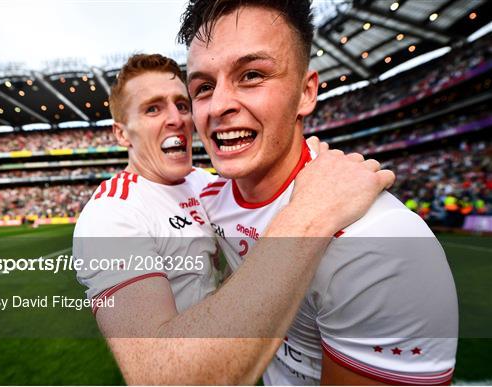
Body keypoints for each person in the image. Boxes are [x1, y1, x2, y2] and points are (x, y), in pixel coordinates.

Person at [178, 0, 458, 385]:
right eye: (204, 87)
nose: (220, 105)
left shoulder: (381, 245)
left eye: (252, 75)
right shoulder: (208, 200)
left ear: (307, 92)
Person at [73, 53, 394, 384]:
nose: (176, 119)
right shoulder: (111, 215)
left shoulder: (207, 184)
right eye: (153, 109)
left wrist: (312, 162)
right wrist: (308, 215)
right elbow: (160, 377)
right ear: (122, 134)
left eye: (182, 105)